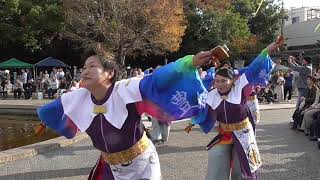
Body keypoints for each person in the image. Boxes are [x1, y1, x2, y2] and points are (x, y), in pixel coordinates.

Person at [36, 43, 211, 179]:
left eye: (92, 66)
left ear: (110, 72)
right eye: (84, 67)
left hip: (142, 164)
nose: (85, 71)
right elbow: (54, 108)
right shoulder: (76, 98)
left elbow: (157, 80)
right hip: (110, 167)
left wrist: (191, 62)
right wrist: (47, 119)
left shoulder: (126, 90)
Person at [186, 41, 280, 180]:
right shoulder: (211, 94)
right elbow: (201, 108)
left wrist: (266, 50)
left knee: (241, 167)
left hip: (243, 133)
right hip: (224, 134)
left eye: (223, 81)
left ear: (232, 81)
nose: (220, 84)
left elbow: (254, 68)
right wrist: (192, 122)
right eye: (217, 81)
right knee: (216, 156)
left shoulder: (240, 87)